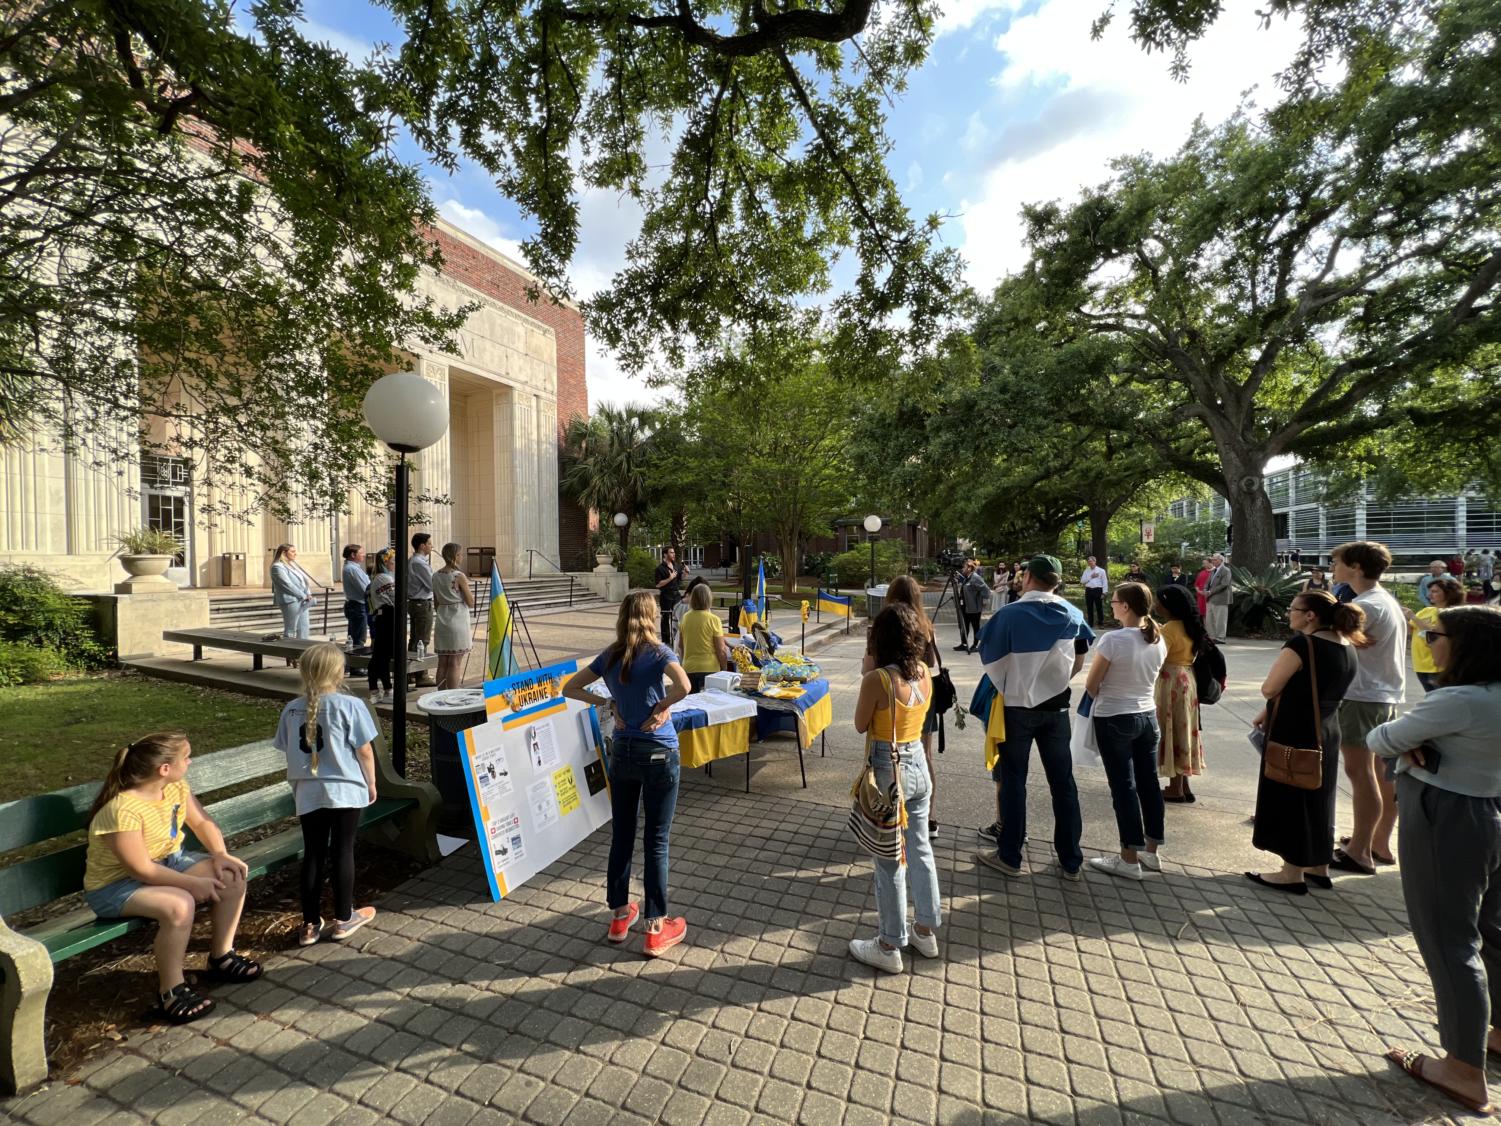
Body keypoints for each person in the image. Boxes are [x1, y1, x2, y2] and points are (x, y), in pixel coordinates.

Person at [1373, 606, 1501, 1117]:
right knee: (1490, 928)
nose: (1428, 643)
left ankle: (1463, 1069)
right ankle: (1493, 1034)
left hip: (1445, 813)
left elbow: (1380, 737)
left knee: (1448, 939)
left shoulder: (1458, 701)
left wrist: (1410, 747)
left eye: (1434, 635)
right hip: (1490, 807)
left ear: (1465, 646)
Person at [83, 732, 262, 1024]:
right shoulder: (122, 809)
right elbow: (141, 869)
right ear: (163, 769)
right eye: (186, 757)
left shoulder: (176, 787)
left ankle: (221, 956)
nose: (190, 762)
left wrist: (220, 854)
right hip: (116, 886)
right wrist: (192, 884)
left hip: (170, 862)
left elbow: (201, 821)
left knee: (231, 876)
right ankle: (171, 991)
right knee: (179, 905)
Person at [562, 592, 692, 957]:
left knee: (622, 833)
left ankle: (620, 915)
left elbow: (569, 687)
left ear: (621, 616)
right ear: (652, 616)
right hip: (659, 753)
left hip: (622, 753)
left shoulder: (611, 654)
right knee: (657, 839)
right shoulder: (659, 652)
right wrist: (663, 707)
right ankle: (655, 926)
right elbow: (684, 686)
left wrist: (608, 703)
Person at [973, 554, 1093, 880]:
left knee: (1013, 781)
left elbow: (991, 661)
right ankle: (1071, 861)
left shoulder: (1009, 614)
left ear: (1027, 578)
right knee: (1063, 784)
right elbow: (1079, 661)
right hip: (1057, 709)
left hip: (1016, 708)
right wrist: (1052, 682)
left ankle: (1009, 856)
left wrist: (1018, 686)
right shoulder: (1073, 614)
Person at [1245, 590, 1363, 895]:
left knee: (1290, 795)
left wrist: (1268, 705)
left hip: (1294, 730)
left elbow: (1270, 687)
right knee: (1319, 796)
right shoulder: (1346, 645)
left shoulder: (1302, 644)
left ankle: (1291, 872)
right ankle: (1317, 865)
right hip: (1326, 728)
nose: (1289, 614)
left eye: (1294, 609)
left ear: (1310, 615)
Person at [849, 602, 941, 972]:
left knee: (888, 861)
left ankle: (889, 944)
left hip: (889, 770)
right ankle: (925, 929)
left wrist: (869, 668)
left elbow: (859, 724)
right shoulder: (923, 672)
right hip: (918, 763)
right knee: (920, 849)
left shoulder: (879, 680)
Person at [275, 643, 380, 945]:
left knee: (314, 853)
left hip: (308, 790)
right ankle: (344, 919)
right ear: (339, 671)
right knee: (343, 850)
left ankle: (309, 924)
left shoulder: (291, 708)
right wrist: (370, 783)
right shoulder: (351, 705)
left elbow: (286, 748)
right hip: (345, 787)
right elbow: (364, 750)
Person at [1330, 540, 1407, 875]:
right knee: (1378, 773)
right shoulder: (1382, 601)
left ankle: (1360, 851)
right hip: (1382, 696)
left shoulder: (1367, 606)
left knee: (1360, 774)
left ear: (1356, 567)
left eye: (1337, 562)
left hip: (1362, 697)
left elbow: (1341, 644)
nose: (1333, 567)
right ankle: (1378, 842)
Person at [1084, 582, 1167, 881]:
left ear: (1126, 607)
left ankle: (1128, 859)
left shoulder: (1113, 640)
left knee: (1123, 787)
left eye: (1115, 600)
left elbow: (1092, 685)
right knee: (1148, 783)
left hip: (1115, 716)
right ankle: (1151, 850)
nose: (1111, 604)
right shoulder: (1158, 639)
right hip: (1147, 716)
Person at [864, 575, 942, 836]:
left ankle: (890, 816)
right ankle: (927, 816)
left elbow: (869, 667)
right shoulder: (925, 624)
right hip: (921, 691)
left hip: (890, 693)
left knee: (889, 754)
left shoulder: (885, 624)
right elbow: (930, 663)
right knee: (922, 753)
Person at [1153, 584, 1206, 803]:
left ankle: (1175, 788)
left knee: (1171, 728)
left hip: (1171, 682)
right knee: (1184, 729)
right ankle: (1183, 784)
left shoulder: (1170, 629)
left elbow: (1157, 657)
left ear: (1168, 605)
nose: (1156, 605)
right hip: (1187, 679)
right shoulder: (1191, 625)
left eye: (1158, 601)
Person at [430, 543, 475, 689]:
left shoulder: (435, 575)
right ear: (455, 556)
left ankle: (440, 694)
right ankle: (452, 694)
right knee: (455, 662)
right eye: (461, 554)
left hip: (443, 618)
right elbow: (470, 602)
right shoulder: (458, 576)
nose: (463, 557)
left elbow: (436, 602)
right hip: (458, 618)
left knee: (442, 662)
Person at [1408, 577, 1463, 693]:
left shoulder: (1453, 613)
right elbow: (1410, 630)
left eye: (1435, 591)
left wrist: (1413, 617)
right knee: (1431, 697)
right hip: (1420, 665)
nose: (1429, 595)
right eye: (1430, 591)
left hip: (1439, 666)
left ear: (1448, 593)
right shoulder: (1426, 611)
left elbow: (1435, 634)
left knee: (1444, 700)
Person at [679, 581, 727, 692]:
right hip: (709, 669)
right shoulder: (714, 619)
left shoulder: (685, 618)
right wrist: (724, 668)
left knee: (692, 705)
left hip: (689, 667)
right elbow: (721, 650)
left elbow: (681, 646)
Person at [366, 549, 396, 704]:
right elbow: (395, 597)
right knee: (380, 655)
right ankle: (379, 689)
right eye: (393, 561)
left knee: (382, 655)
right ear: (386, 562)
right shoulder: (384, 578)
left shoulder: (383, 576)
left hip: (387, 616)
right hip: (387, 617)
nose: (395, 564)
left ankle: (385, 689)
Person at [270, 543, 314, 639]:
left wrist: (308, 593)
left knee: (303, 627)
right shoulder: (277, 567)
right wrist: (303, 595)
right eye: (293, 551)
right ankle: (289, 652)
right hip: (290, 600)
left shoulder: (293, 565)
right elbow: (287, 585)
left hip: (302, 600)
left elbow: (303, 581)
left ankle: (302, 649)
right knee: (291, 629)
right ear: (284, 553)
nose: (295, 554)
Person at [407, 534, 435, 675]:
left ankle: (411, 673)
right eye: (429, 544)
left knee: (415, 638)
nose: (431, 546)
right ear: (422, 546)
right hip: (422, 603)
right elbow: (431, 584)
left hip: (417, 603)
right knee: (422, 639)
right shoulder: (418, 562)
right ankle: (420, 674)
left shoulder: (414, 561)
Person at [654, 546, 687, 646]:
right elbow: (658, 584)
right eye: (671, 552)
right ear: (665, 554)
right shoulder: (659, 569)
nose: (674, 554)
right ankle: (666, 642)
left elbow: (680, 579)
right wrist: (670, 578)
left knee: (680, 616)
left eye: (673, 552)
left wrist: (685, 573)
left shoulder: (676, 566)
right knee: (665, 618)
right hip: (666, 596)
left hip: (676, 595)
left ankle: (679, 638)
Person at [340, 544, 369, 651]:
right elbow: (365, 588)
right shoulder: (352, 569)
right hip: (357, 606)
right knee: (358, 638)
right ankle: (355, 665)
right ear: (353, 555)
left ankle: (352, 664)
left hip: (355, 605)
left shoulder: (353, 567)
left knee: (354, 636)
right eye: (361, 553)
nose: (364, 555)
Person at [957, 560, 990, 653]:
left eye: (964, 567)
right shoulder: (966, 577)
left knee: (975, 626)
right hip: (966, 606)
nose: (962, 569)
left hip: (974, 607)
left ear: (969, 568)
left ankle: (975, 645)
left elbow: (986, 589)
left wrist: (984, 600)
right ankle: (964, 644)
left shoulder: (975, 577)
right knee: (965, 625)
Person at [1203, 553, 1232, 642]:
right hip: (1210, 598)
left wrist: (1210, 591)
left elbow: (1224, 584)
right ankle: (1212, 637)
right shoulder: (1213, 570)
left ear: (1221, 560)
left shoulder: (1226, 570)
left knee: (1220, 619)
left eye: (1215, 560)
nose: (1213, 561)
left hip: (1221, 599)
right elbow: (1208, 582)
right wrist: (1205, 589)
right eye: (1212, 560)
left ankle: (1220, 638)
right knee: (1209, 619)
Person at [1081, 555, 1109, 630]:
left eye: (1091, 561)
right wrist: (1091, 576)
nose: (1090, 563)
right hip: (1089, 590)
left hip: (1098, 590)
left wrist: (1104, 592)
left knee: (1099, 607)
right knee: (1089, 607)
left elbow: (1105, 582)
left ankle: (1101, 623)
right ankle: (1090, 623)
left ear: (1095, 561)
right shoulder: (1086, 571)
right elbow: (1082, 581)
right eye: (1088, 561)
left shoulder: (1101, 571)